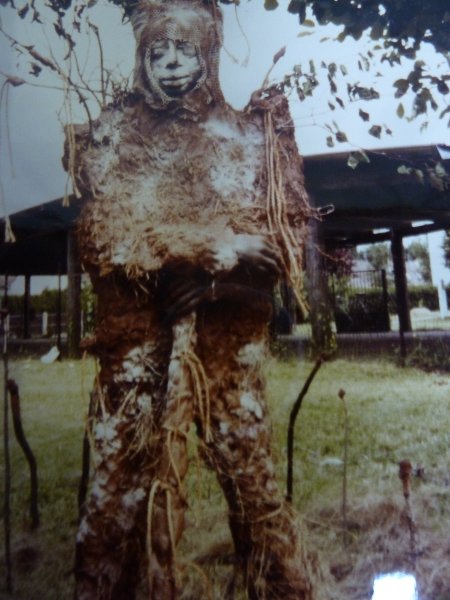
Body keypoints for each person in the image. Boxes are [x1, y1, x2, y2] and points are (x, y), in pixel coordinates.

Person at [66, 1, 315, 598]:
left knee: (254, 492)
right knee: (114, 501)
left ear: (207, 51)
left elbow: (283, 242)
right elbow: (103, 236)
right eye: (159, 52)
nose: (173, 64)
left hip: (229, 352)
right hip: (137, 356)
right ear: (142, 58)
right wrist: (213, 247)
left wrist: (217, 278)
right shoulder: (112, 135)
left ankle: (280, 587)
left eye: (184, 50)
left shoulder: (253, 136)